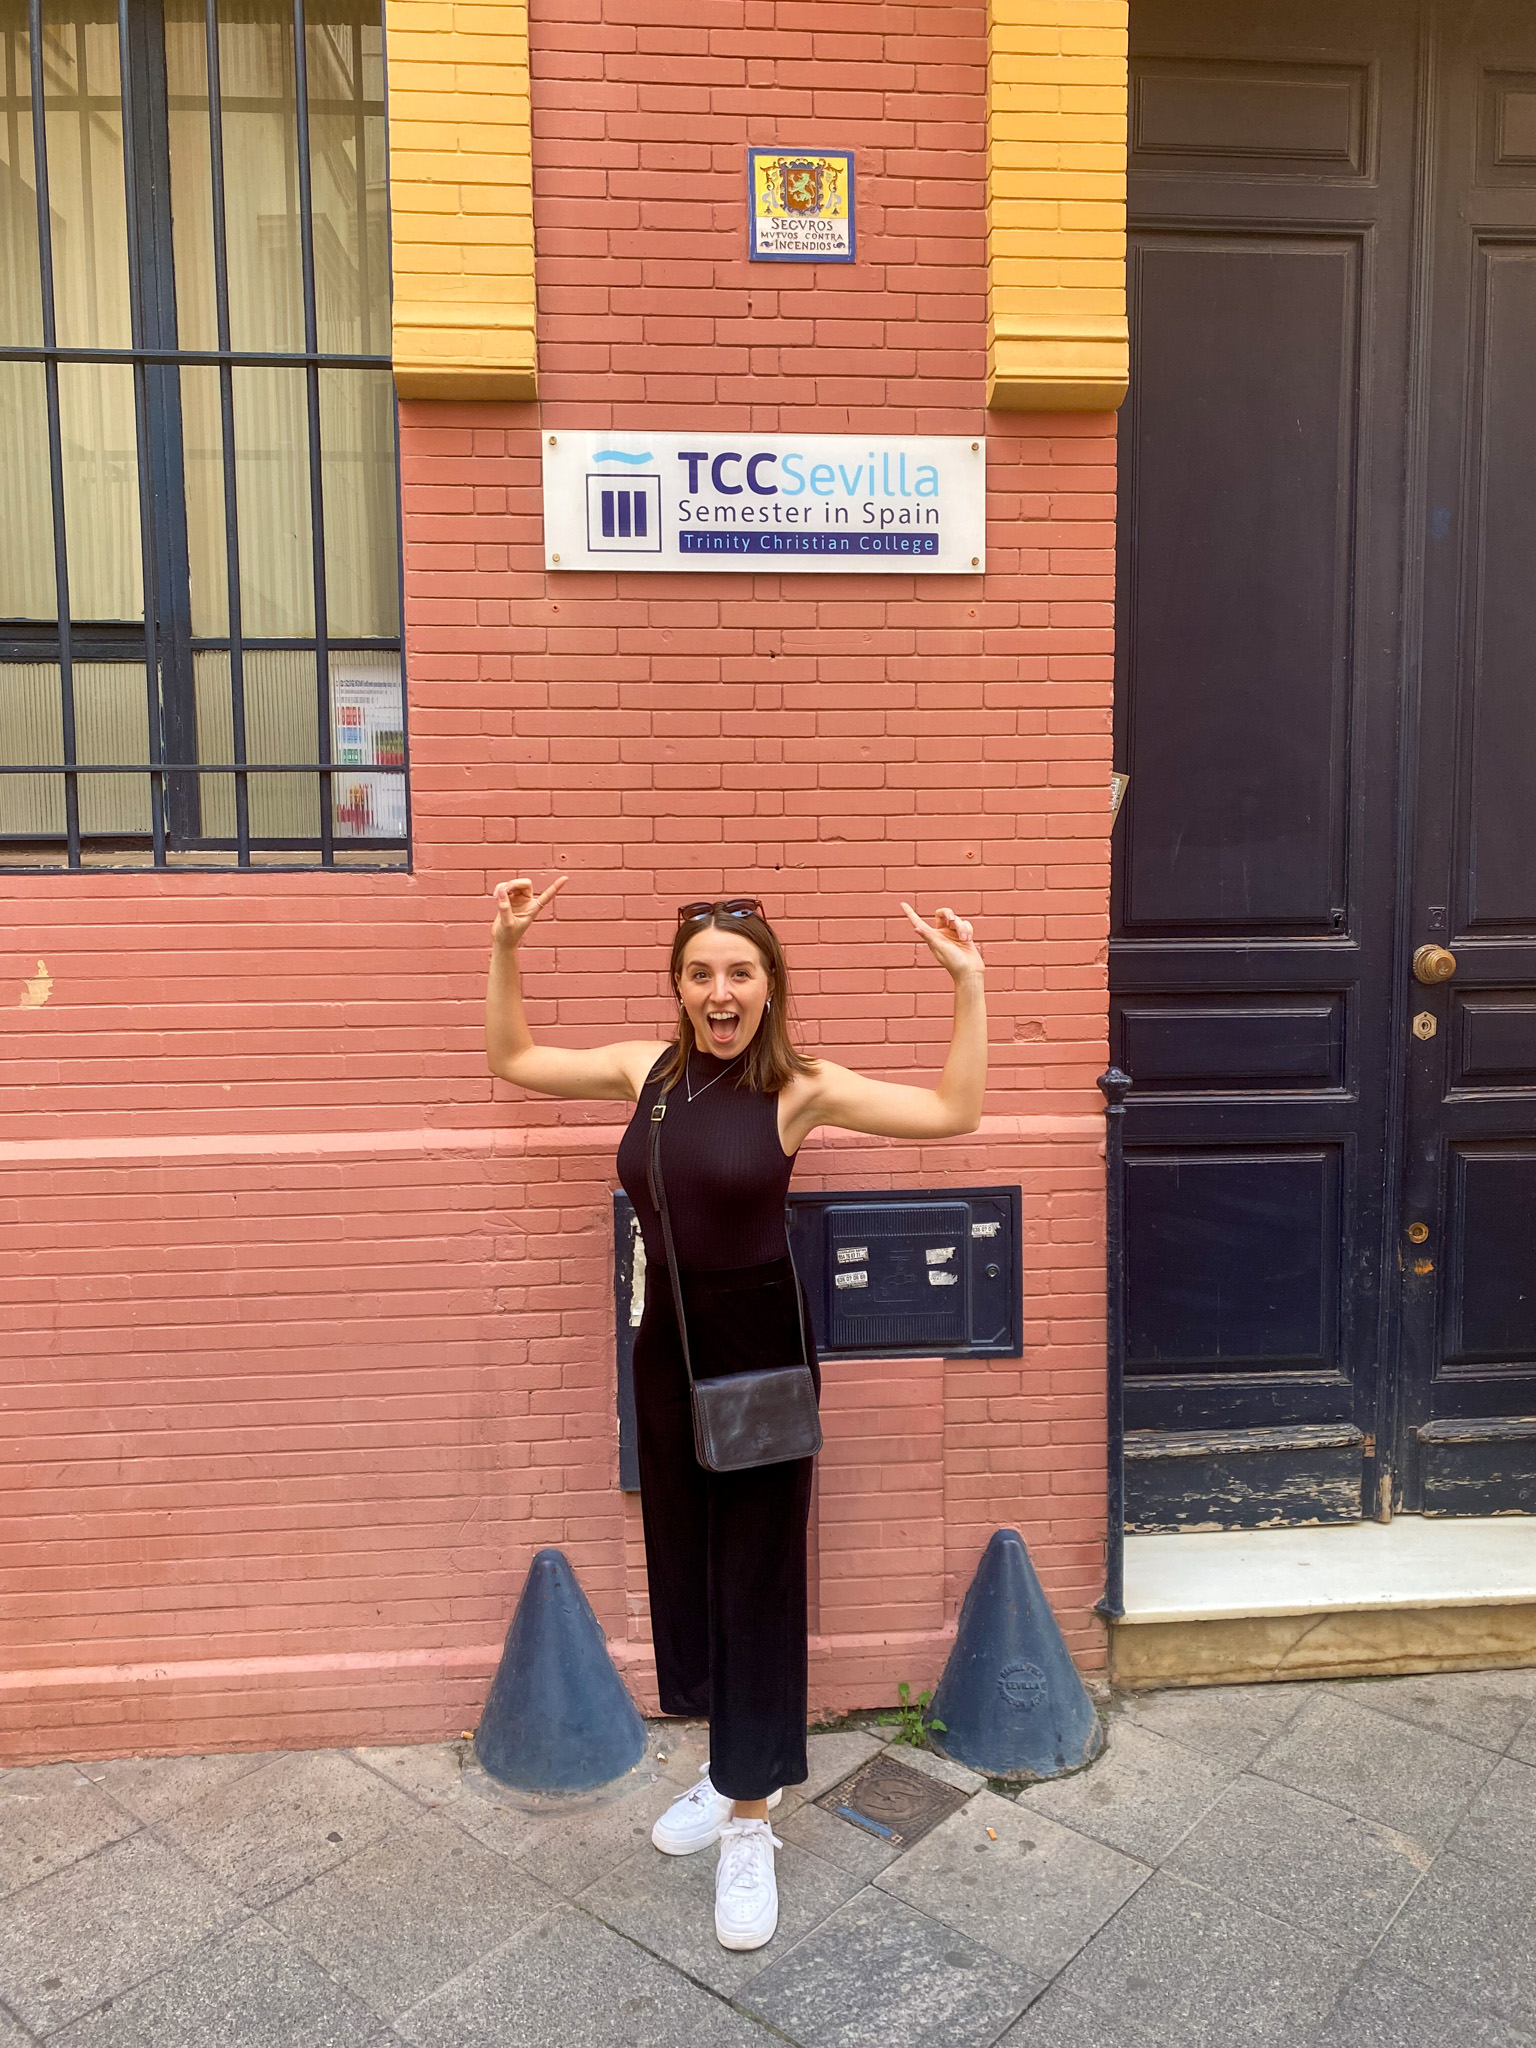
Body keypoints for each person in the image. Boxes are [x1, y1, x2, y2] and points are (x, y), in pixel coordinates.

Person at [486, 882, 986, 1950]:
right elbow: (514, 1057)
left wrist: (968, 983)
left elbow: (954, 1112)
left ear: (769, 984)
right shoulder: (647, 1073)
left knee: (754, 1581)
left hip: (757, 1346)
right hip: (667, 1342)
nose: (721, 992)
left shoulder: (800, 1087)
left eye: (740, 972)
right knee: (688, 1566)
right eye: (701, 972)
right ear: (679, 985)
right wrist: (506, 946)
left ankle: (751, 1820)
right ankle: (727, 1770)